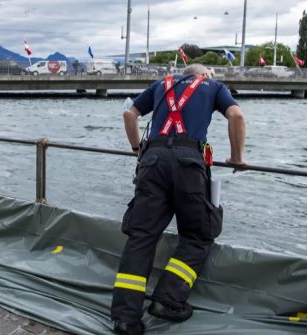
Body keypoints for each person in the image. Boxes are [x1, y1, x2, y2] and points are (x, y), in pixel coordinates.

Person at [111, 64, 246, 335]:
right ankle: (167, 301)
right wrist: (237, 157)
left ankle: (125, 319)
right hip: (188, 164)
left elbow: (129, 114)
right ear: (204, 75)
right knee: (197, 236)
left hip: (152, 162)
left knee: (142, 237)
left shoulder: (161, 84)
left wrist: (137, 148)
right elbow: (237, 116)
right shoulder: (214, 86)